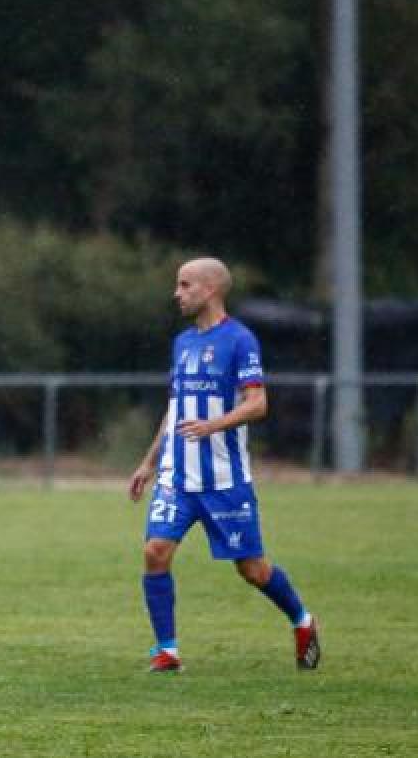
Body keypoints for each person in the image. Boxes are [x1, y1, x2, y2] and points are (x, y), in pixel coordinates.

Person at [128, 257, 320, 673]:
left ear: (210, 289)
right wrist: (149, 461)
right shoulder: (182, 343)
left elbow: (258, 403)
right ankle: (168, 650)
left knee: (251, 569)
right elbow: (175, 407)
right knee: (155, 552)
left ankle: (303, 621)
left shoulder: (240, 340)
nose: (176, 293)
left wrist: (214, 424)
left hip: (223, 479)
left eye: (184, 285)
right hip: (176, 477)